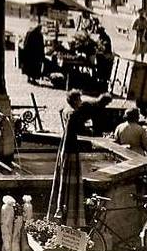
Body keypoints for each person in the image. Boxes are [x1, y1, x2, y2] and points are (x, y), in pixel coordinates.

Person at [48, 89, 112, 227]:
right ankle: (70, 217)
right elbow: (81, 128)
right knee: (72, 181)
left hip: (64, 148)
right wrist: (91, 131)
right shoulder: (74, 113)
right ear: (76, 101)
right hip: (71, 150)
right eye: (79, 99)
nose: (81, 101)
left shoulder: (66, 111)